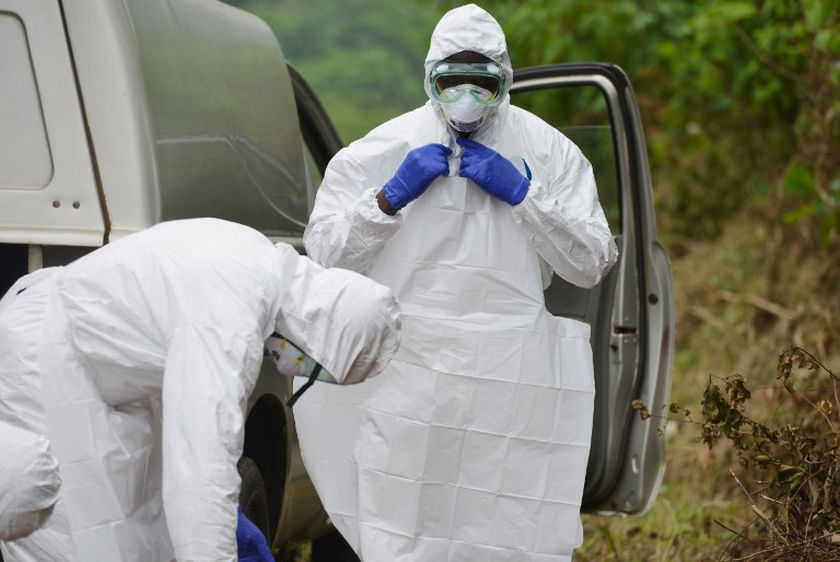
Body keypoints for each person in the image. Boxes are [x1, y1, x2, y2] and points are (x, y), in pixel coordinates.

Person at [294, 3, 618, 561]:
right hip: (407, 375)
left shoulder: (550, 153)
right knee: (401, 520)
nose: (467, 95)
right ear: (430, 79)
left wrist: (526, 197)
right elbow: (324, 255)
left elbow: (591, 261)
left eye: (482, 81)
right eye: (452, 81)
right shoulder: (379, 152)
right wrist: (387, 198)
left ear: (505, 79)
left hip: (508, 380)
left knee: (505, 521)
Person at [0, 218, 401, 561]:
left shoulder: (254, 260)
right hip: (45, 362)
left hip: (96, 373)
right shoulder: (230, 317)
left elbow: (181, 421)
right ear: (320, 334)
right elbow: (200, 465)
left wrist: (221, 520)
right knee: (84, 543)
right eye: (316, 366)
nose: (301, 368)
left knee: (143, 535)